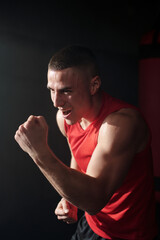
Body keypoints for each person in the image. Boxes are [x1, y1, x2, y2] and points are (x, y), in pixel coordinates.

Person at [14, 45, 157, 239]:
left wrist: (39, 153)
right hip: (91, 224)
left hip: (126, 234)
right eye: (52, 90)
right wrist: (69, 199)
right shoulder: (65, 118)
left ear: (94, 85)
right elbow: (78, 155)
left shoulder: (120, 125)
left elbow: (94, 201)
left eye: (66, 91)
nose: (56, 102)